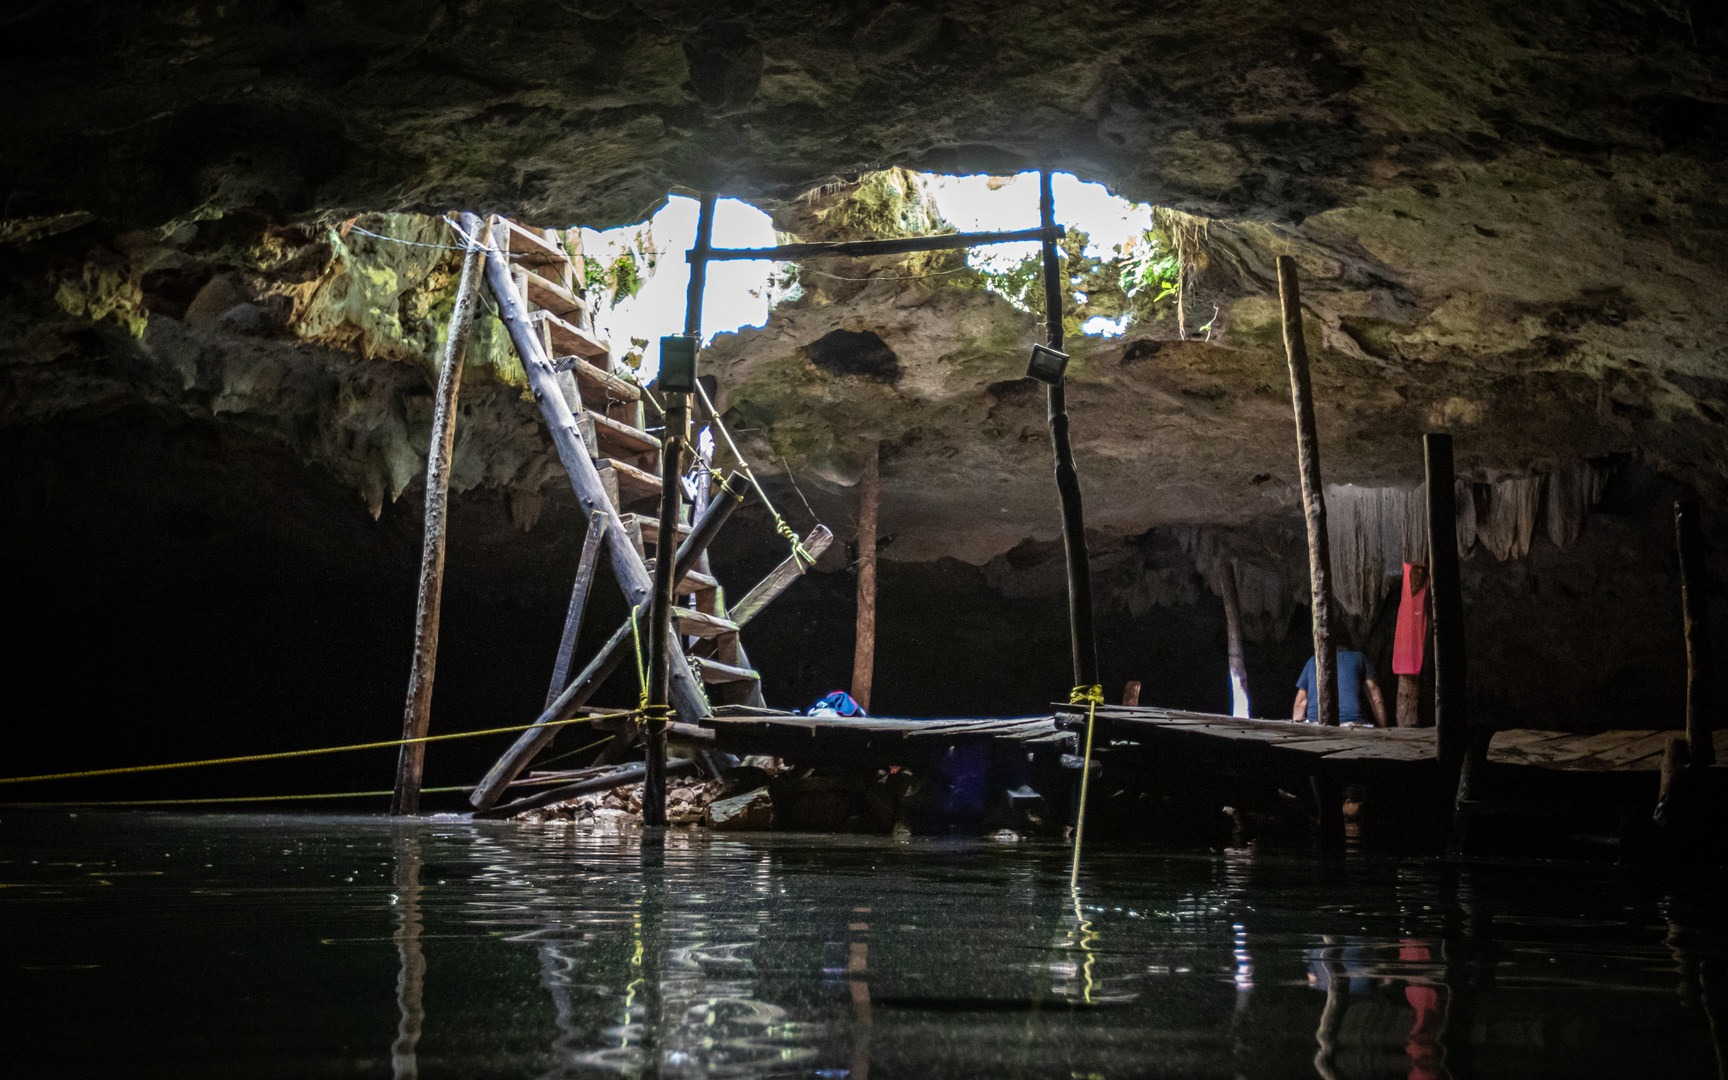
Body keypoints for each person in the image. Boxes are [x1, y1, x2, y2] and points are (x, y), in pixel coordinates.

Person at [1291, 649, 1387, 725]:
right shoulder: (1359, 658)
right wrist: (1383, 729)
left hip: (1316, 723)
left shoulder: (1313, 660)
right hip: (1352, 723)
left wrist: (1297, 728)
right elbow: (1375, 697)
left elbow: (1301, 701)